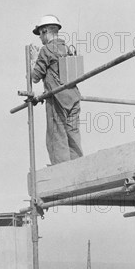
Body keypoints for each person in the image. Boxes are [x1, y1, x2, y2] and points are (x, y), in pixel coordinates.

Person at [30, 15, 83, 164]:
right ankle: (78, 167)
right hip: (74, 98)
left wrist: (34, 60)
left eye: (40, 34)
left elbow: (35, 77)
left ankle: (62, 172)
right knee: (73, 134)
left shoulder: (46, 50)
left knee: (56, 136)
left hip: (57, 99)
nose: (40, 38)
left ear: (45, 31)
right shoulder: (68, 49)